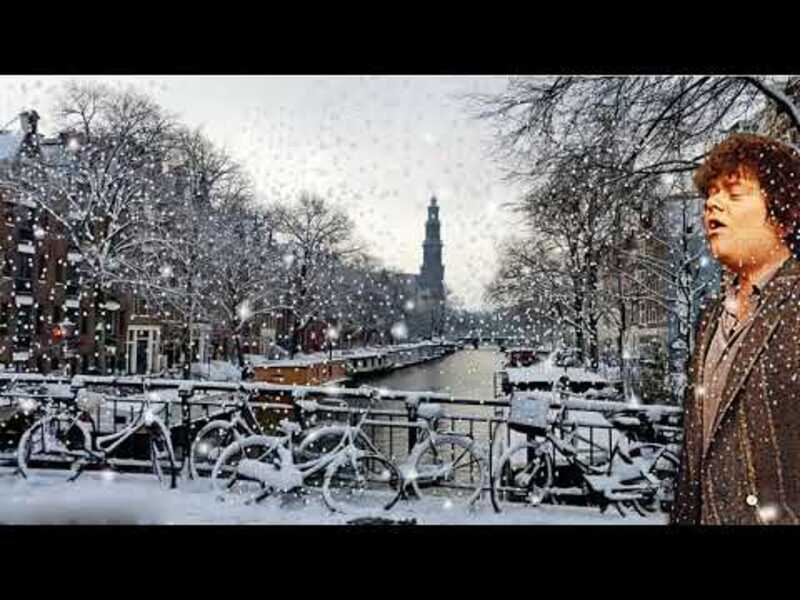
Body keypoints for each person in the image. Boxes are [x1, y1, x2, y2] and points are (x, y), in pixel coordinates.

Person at [671, 133, 800, 525]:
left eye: (734, 192)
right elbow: (694, 461)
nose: (712, 203)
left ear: (781, 211)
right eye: (710, 193)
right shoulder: (710, 318)